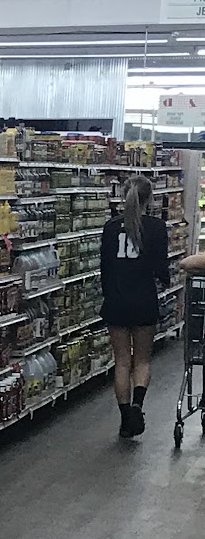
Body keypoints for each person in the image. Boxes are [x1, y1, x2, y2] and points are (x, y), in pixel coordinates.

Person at [100, 178, 171, 437]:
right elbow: (160, 267)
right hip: (143, 301)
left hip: (116, 302)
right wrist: (165, 280)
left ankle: (124, 418)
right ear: (149, 198)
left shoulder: (110, 227)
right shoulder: (156, 227)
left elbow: (105, 268)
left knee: (121, 362)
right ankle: (137, 407)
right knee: (141, 360)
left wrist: (109, 295)